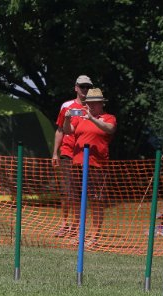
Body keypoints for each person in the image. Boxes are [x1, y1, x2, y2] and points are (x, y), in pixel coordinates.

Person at [63, 88, 117, 249]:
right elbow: (68, 130)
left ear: (101, 104)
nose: (91, 106)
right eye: (88, 103)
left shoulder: (109, 118)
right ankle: (79, 233)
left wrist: (92, 118)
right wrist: (67, 119)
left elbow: (110, 129)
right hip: (77, 164)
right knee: (77, 200)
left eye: (94, 103)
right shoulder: (80, 117)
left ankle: (95, 236)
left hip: (96, 166)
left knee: (96, 201)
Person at [52, 74, 92, 237]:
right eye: (82, 86)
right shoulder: (67, 106)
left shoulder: (93, 107)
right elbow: (60, 130)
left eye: (88, 87)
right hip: (67, 153)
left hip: (85, 155)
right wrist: (55, 153)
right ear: (76, 88)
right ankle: (64, 223)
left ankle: (77, 225)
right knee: (66, 191)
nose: (85, 89)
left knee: (80, 192)